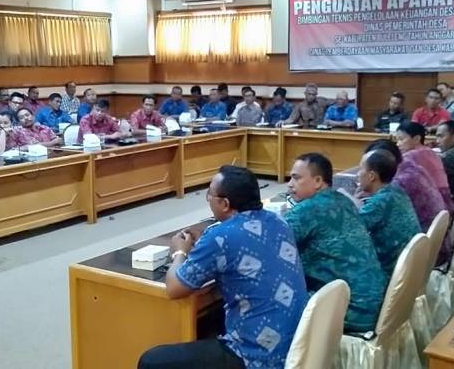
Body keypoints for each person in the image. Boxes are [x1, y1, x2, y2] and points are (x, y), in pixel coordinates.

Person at [137, 166, 307, 369]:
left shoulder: (220, 237)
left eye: (210, 194)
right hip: (294, 346)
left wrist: (179, 252)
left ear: (225, 204)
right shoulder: (278, 221)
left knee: (151, 361)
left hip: (256, 357)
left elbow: (174, 288)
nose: (208, 199)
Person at [284, 153, 385, 334]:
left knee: (274, 291)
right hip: (374, 303)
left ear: (318, 181)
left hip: (352, 310)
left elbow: (270, 245)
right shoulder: (344, 200)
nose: (290, 184)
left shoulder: (307, 210)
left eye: (296, 178)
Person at [365, 139, 451, 264]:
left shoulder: (400, 183)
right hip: (428, 248)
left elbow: (359, 222)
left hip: (424, 255)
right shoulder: (410, 167)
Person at [353, 149, 420, 276]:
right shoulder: (397, 191)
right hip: (409, 269)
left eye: (360, 169)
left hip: (388, 273)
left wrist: (352, 202)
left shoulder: (379, 203)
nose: (357, 174)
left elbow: (349, 228)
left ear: (372, 176)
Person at [394, 121, 454, 213]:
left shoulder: (409, 157)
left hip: (431, 208)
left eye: (401, 139)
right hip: (446, 205)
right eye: (397, 140)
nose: (398, 144)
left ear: (416, 139)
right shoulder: (431, 152)